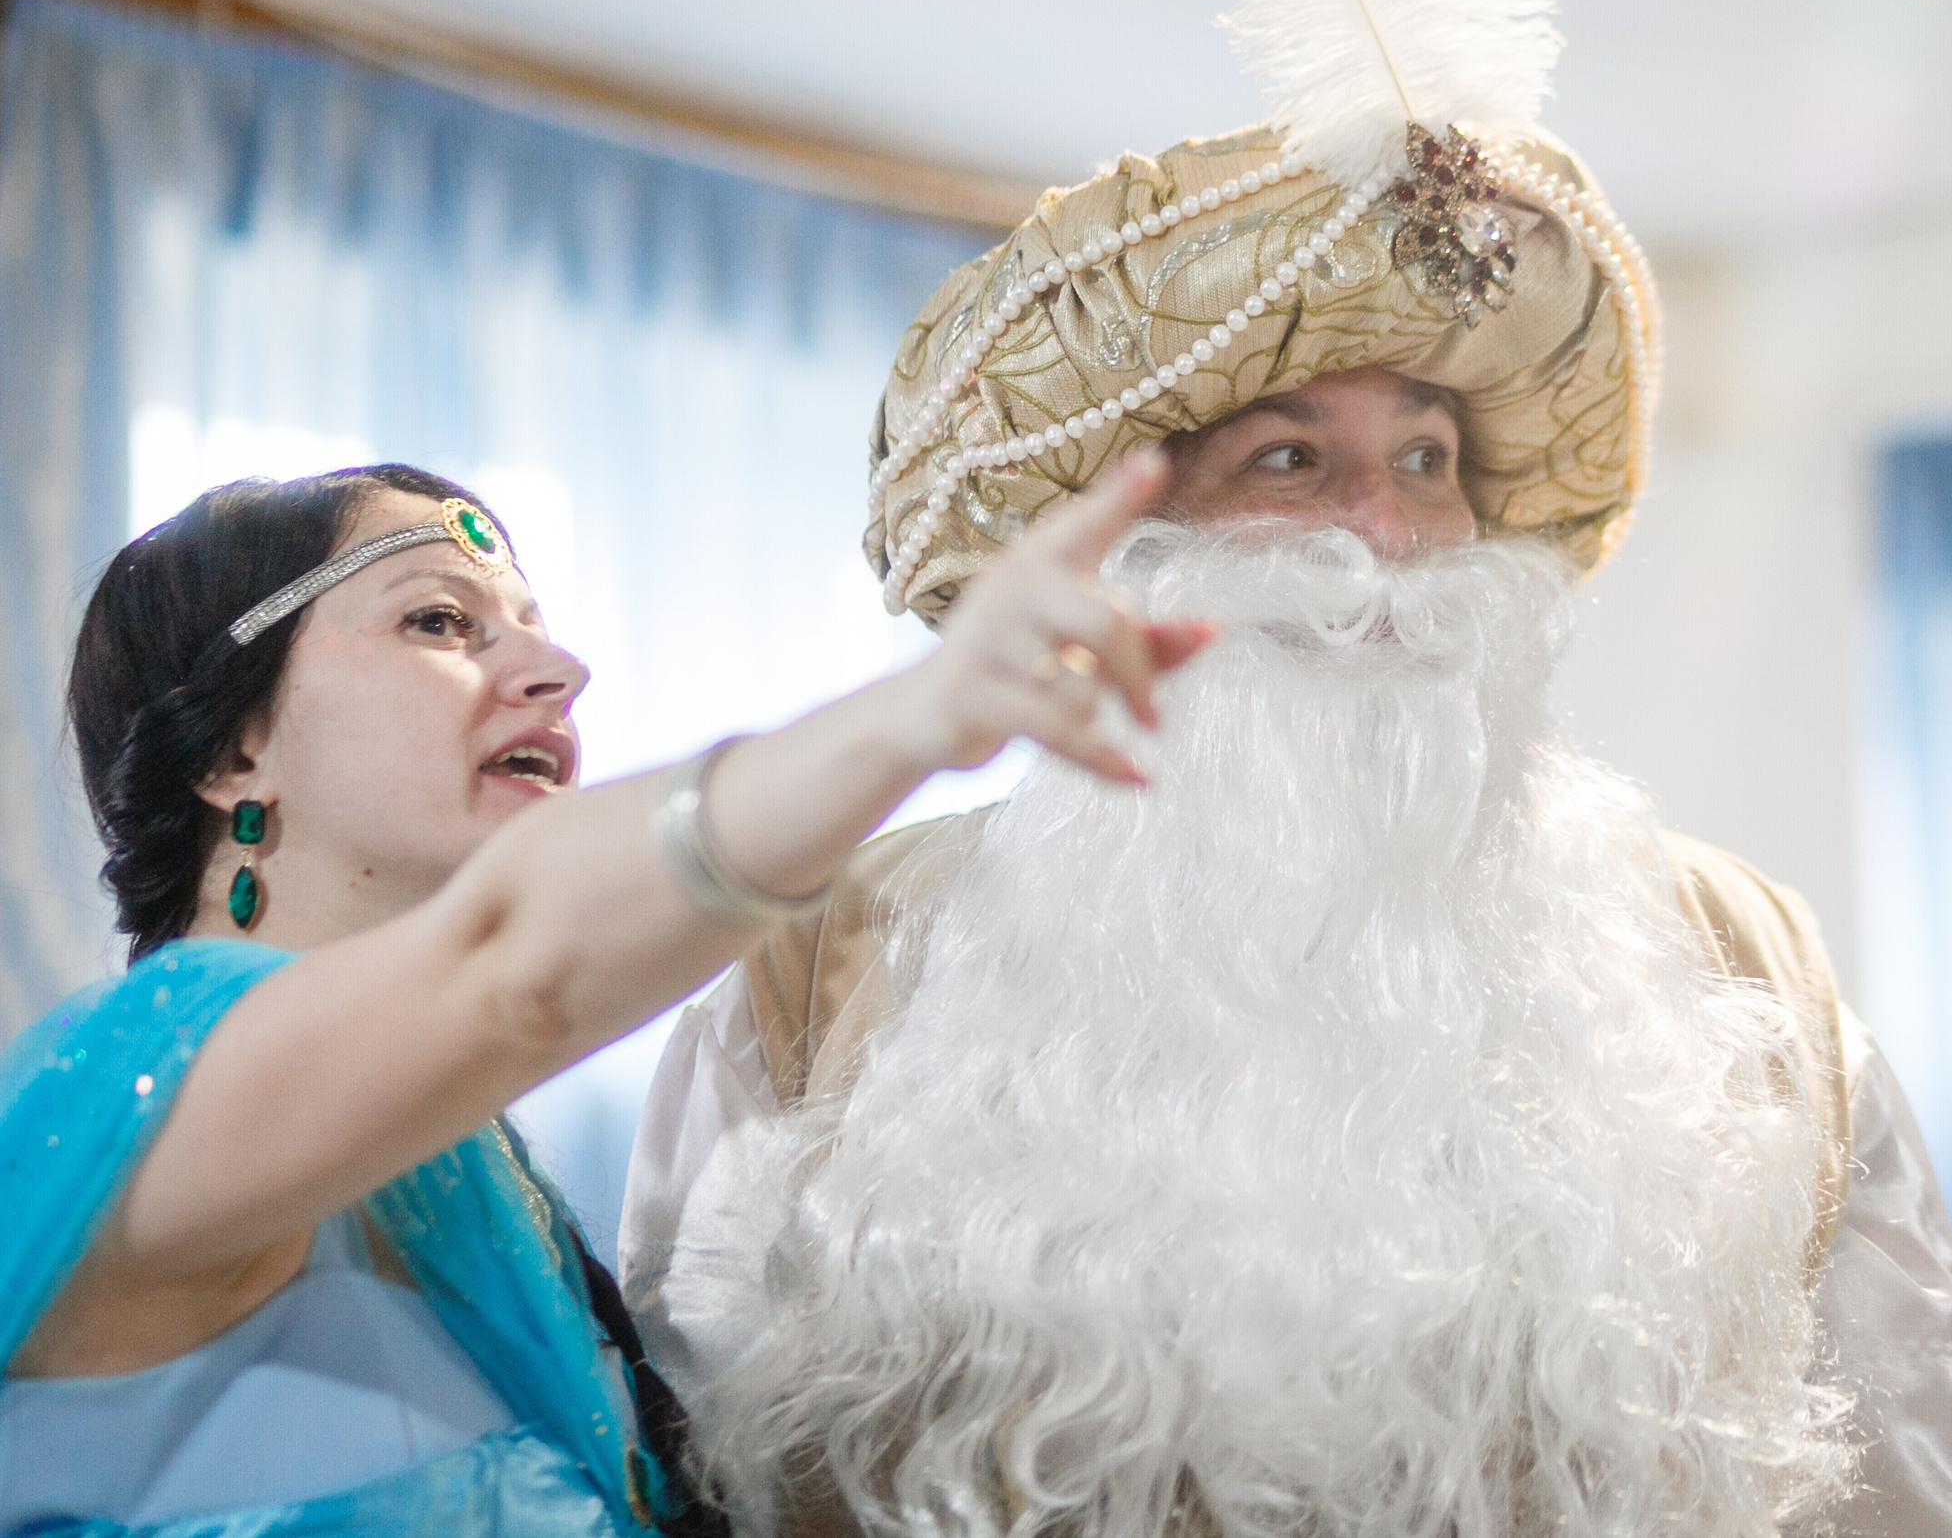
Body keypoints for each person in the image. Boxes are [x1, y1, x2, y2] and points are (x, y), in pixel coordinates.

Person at [624, 0, 1952, 1534]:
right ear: (1121, 548)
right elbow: (691, 1473)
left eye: (1430, 459)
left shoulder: (1741, 978)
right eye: (1291, 459)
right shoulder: (817, 972)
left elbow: (1922, 1497)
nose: (1384, 536)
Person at [0, 455, 1204, 1535]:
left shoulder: (469, 1167)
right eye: (439, 620)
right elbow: (518, 969)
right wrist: (921, 715)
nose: (557, 670)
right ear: (232, 749)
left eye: (533, 626)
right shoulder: (130, 1077)